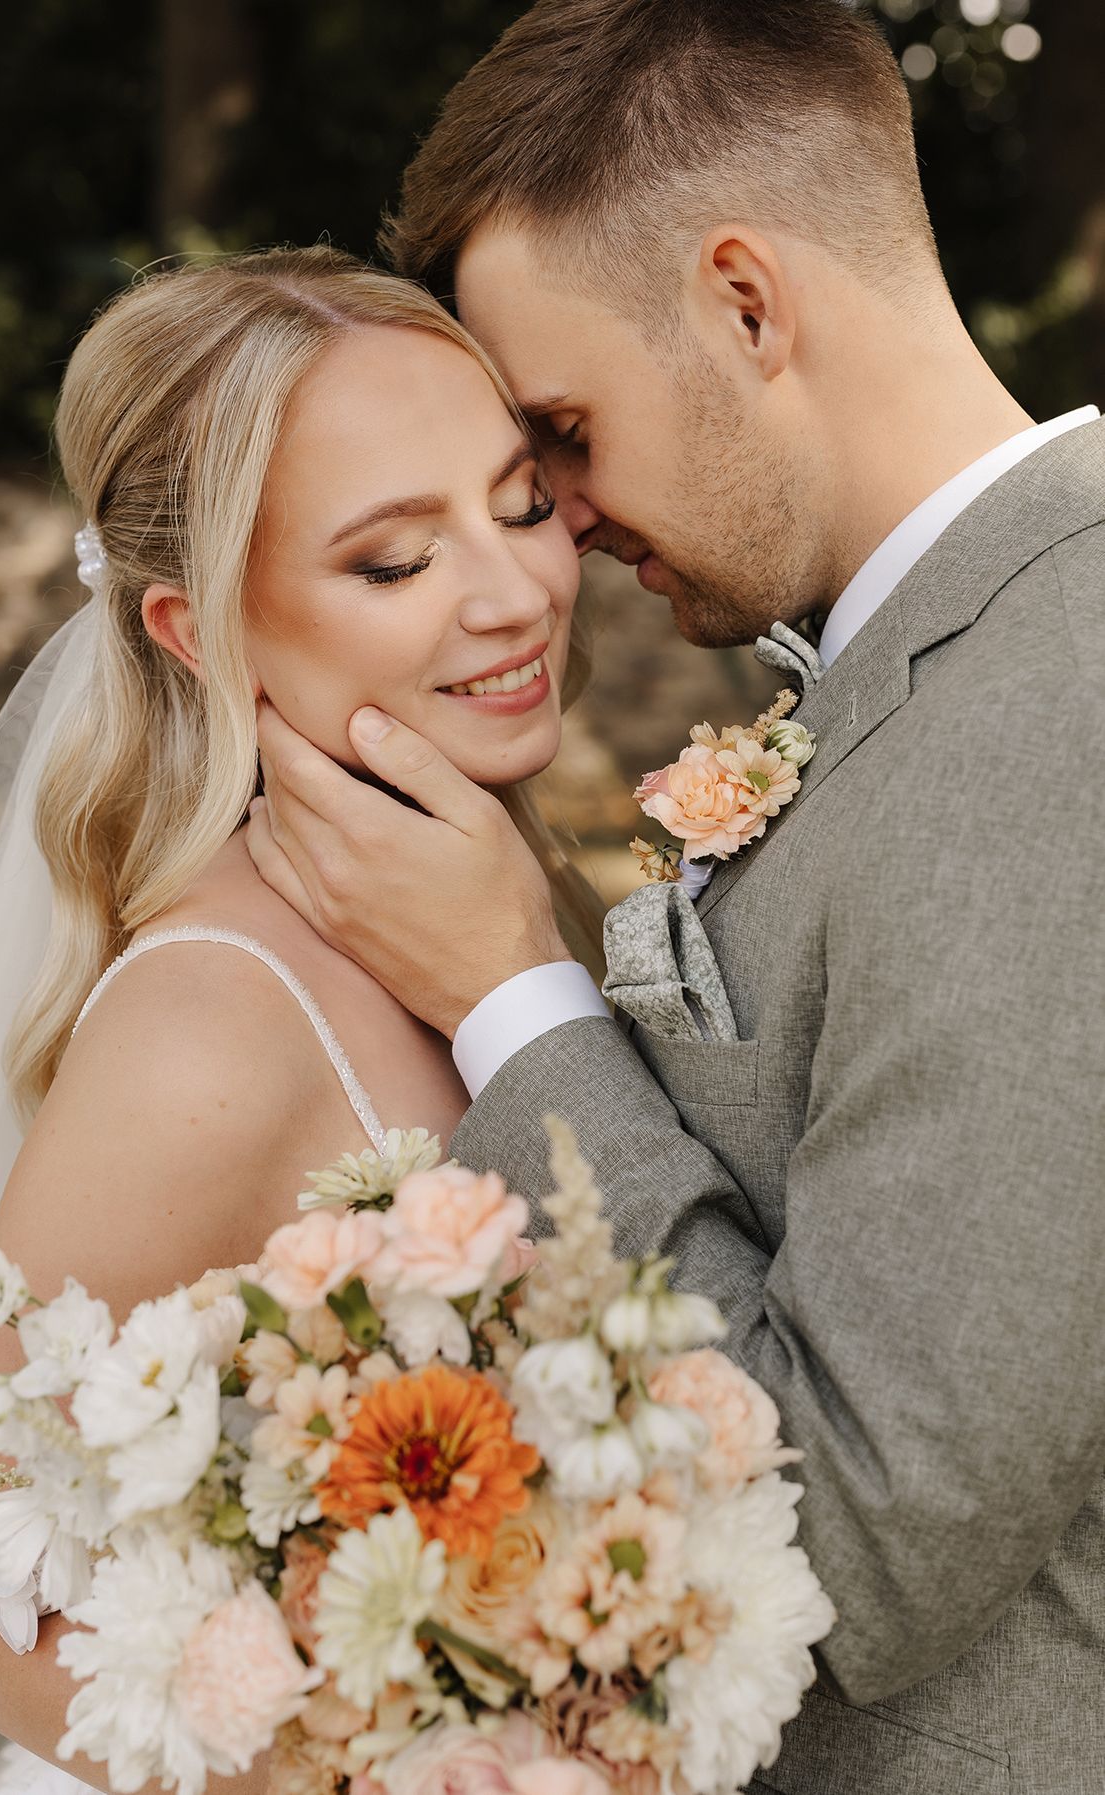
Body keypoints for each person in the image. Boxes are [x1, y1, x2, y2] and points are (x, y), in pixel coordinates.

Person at [243, 4, 1105, 1793]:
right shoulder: (939, 663)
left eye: (559, 429)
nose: (551, 519)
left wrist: (508, 993)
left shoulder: (1066, 707)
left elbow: (853, 1539)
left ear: (742, 302)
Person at [0, 244, 601, 1795]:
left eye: (520, 504)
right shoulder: (211, 1020)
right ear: (198, 632)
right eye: (392, 562)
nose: (513, 592)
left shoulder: (498, 911)